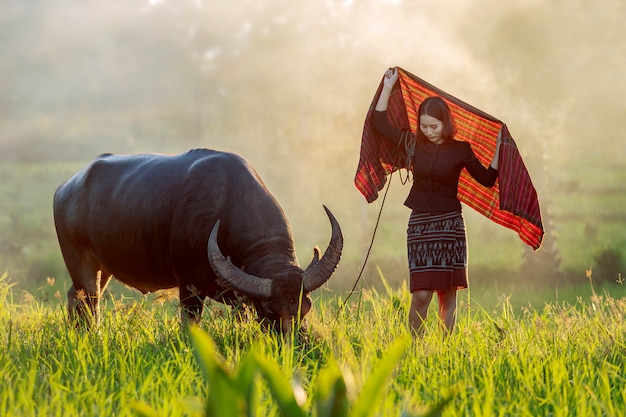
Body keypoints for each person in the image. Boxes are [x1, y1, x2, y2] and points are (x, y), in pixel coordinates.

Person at [373, 67, 501, 336]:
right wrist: (387, 86)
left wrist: (499, 148)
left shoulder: (461, 150)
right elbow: (380, 122)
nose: (428, 131)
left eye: (434, 126)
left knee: (448, 296)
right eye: (423, 126)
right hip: (420, 225)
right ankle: (415, 349)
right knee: (420, 295)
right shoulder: (412, 144)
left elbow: (488, 179)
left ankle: (445, 350)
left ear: (446, 123)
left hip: (450, 226)